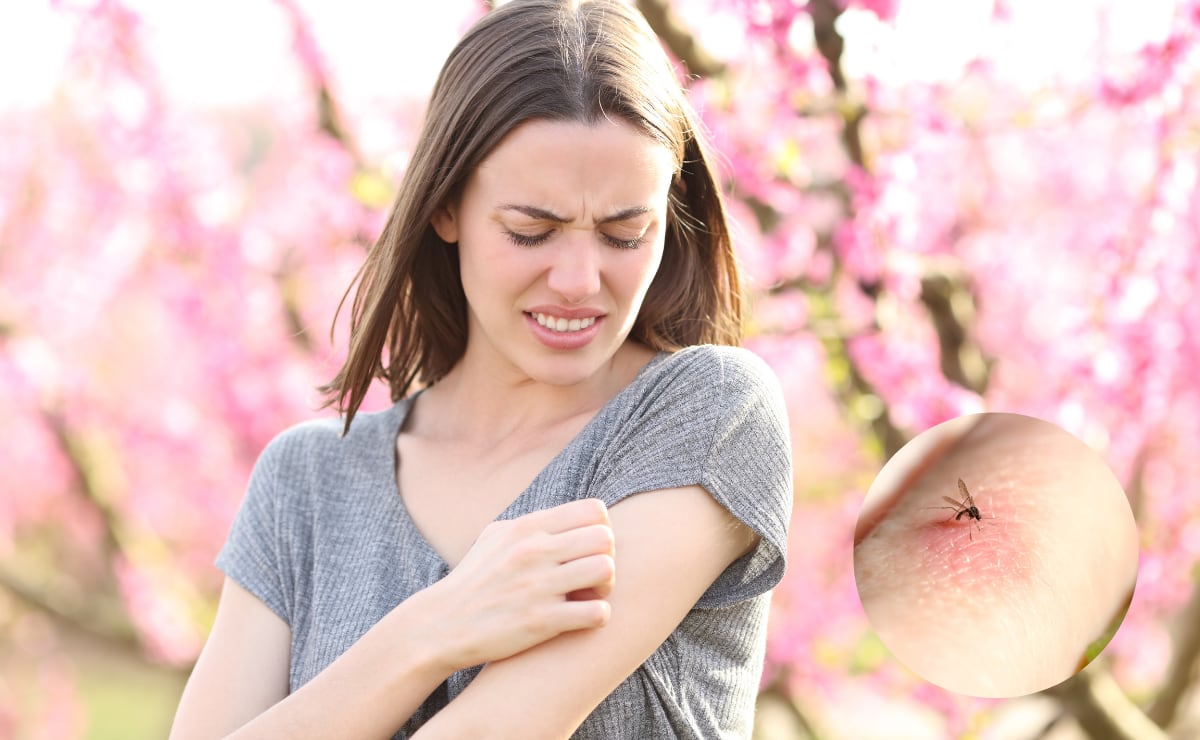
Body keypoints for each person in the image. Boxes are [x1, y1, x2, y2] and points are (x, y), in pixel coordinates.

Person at [170, 0, 793, 737]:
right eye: (532, 231)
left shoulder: (709, 415)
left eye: (626, 234)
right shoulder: (305, 485)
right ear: (446, 209)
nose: (578, 280)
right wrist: (431, 630)